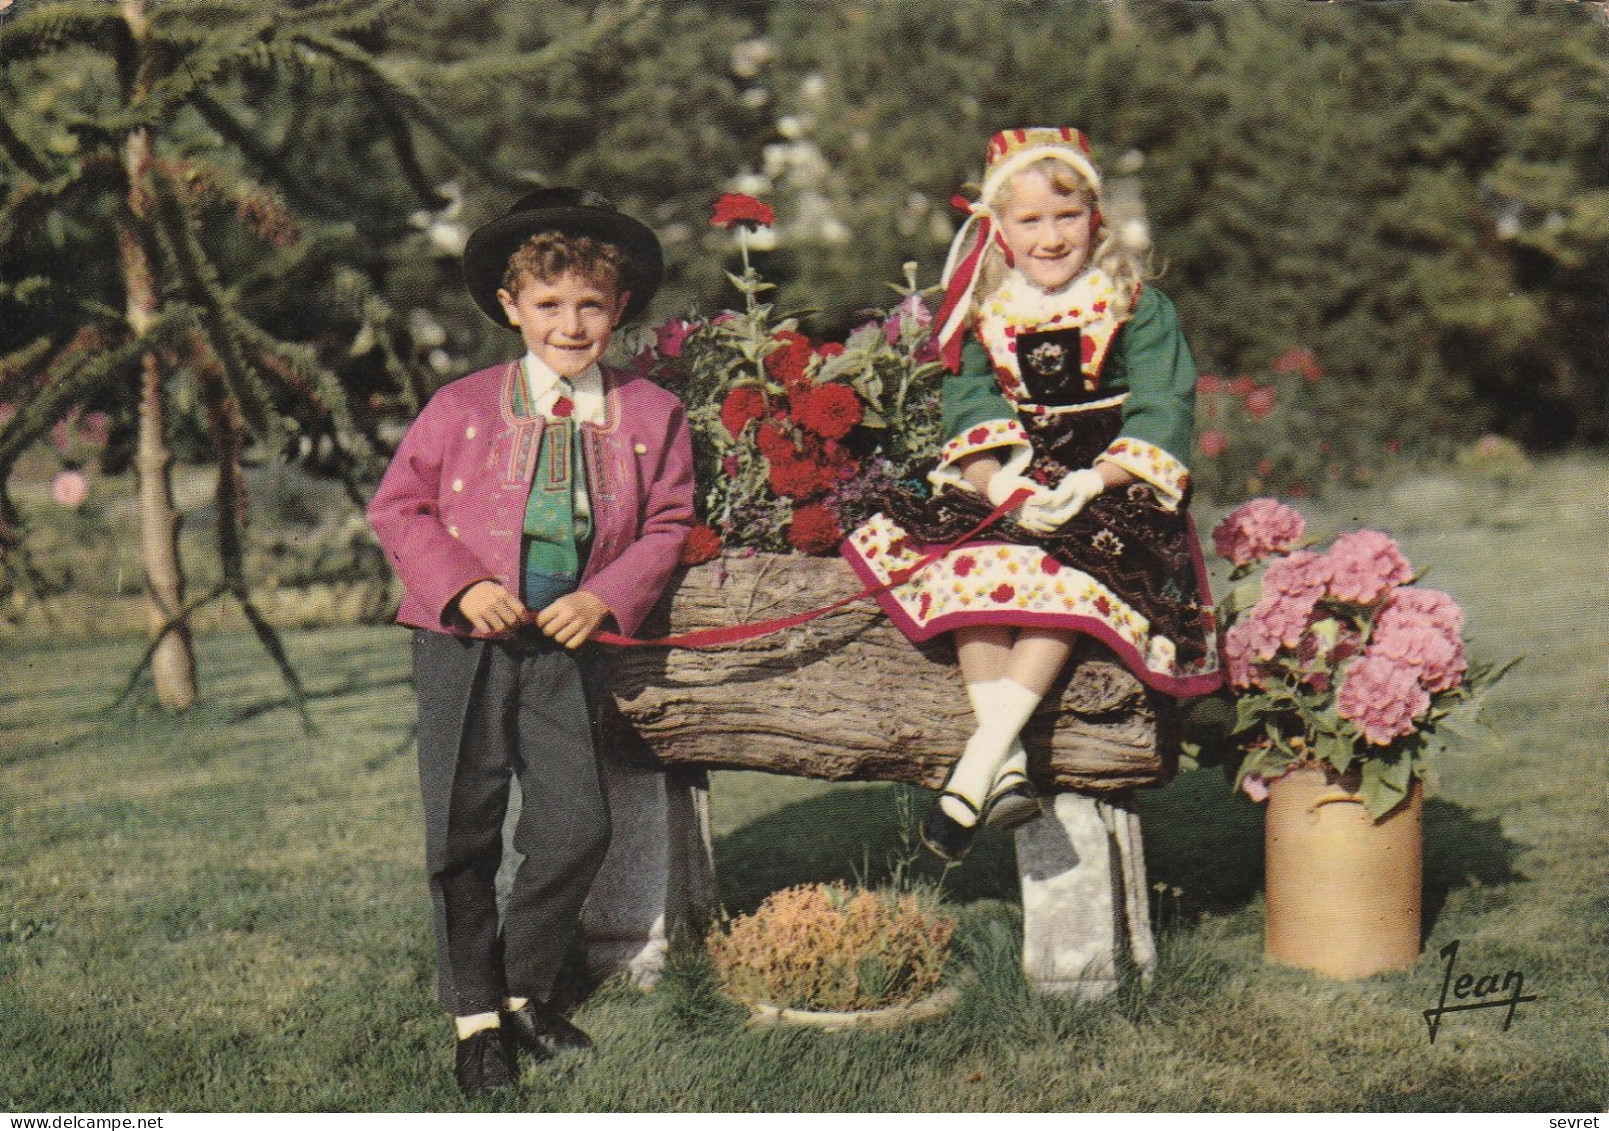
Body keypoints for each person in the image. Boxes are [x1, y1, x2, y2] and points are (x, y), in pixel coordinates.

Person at [367, 187, 694, 1097]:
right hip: (463, 643)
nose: (571, 323)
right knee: (463, 825)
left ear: (619, 307)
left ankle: (522, 984)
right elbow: (399, 506)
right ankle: (477, 1016)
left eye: (591, 304)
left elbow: (669, 526)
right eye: (549, 305)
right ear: (511, 307)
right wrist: (463, 583)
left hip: (566, 647)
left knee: (575, 825)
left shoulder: (650, 414)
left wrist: (605, 597)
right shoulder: (461, 404)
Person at [841, 127, 1222, 861]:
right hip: (1017, 474)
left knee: (1068, 576)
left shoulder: (1136, 305)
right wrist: (1001, 483)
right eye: (1029, 220)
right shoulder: (989, 312)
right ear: (1000, 229)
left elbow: (1162, 409)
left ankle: (975, 768)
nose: (1050, 237)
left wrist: (1093, 479)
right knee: (964, 561)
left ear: (1095, 218)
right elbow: (972, 408)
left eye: (1066, 216)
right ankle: (1005, 766)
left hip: (1111, 480)